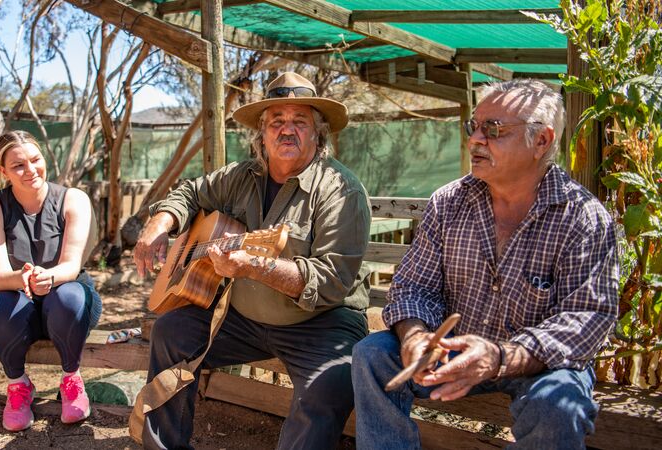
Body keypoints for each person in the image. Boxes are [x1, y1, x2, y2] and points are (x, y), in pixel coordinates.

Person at [352, 79, 619, 449]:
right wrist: (415, 337)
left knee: (557, 406)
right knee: (372, 355)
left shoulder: (583, 218)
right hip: (453, 355)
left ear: (541, 141)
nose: (475, 139)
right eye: (473, 127)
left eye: (493, 129)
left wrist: (498, 357)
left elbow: (588, 317)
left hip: (540, 364)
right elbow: (414, 286)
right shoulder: (449, 202)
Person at [133, 72, 371, 449]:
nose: (286, 130)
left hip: (321, 322)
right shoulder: (243, 176)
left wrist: (255, 267)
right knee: (172, 332)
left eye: (299, 121)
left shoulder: (342, 191)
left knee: (330, 384)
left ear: (318, 134)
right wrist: (161, 222)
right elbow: (192, 191)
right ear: (262, 134)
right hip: (243, 318)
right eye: (277, 122)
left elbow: (331, 281)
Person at [0, 130, 101, 432]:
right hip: (17, 303)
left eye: (35, 160)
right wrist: (24, 278)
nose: (30, 170)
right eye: (18, 165)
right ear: (3, 171)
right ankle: (18, 386)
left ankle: (72, 379)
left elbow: (70, 266)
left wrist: (47, 276)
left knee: (68, 296)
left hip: (67, 303)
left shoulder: (73, 199)